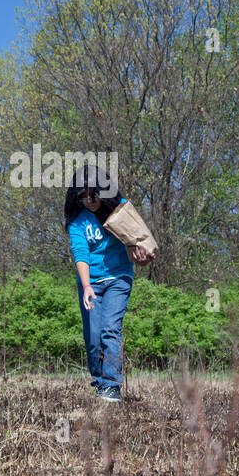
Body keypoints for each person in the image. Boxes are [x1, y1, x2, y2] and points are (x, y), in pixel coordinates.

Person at [64, 165, 151, 403]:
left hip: (118, 278)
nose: (89, 201)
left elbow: (138, 244)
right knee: (93, 336)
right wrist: (86, 286)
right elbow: (80, 253)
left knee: (110, 329)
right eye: (83, 196)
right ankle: (100, 380)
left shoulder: (121, 208)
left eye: (94, 195)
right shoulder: (77, 220)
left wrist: (143, 257)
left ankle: (112, 384)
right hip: (90, 282)